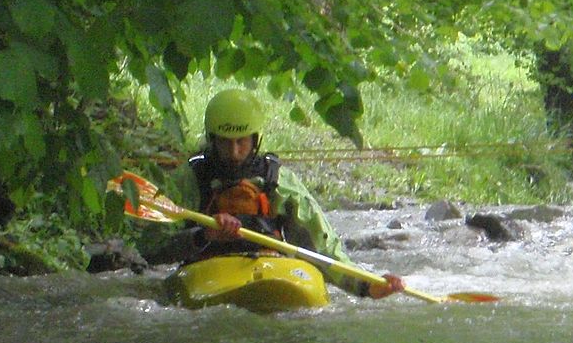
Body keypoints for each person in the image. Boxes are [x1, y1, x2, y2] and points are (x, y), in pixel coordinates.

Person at [167, 87, 406, 299]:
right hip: (208, 270)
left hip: (269, 267)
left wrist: (365, 285)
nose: (234, 152)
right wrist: (203, 235)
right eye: (225, 142)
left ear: (255, 139)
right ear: (212, 139)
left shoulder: (278, 180)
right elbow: (153, 246)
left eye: (242, 141)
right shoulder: (189, 180)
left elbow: (320, 244)